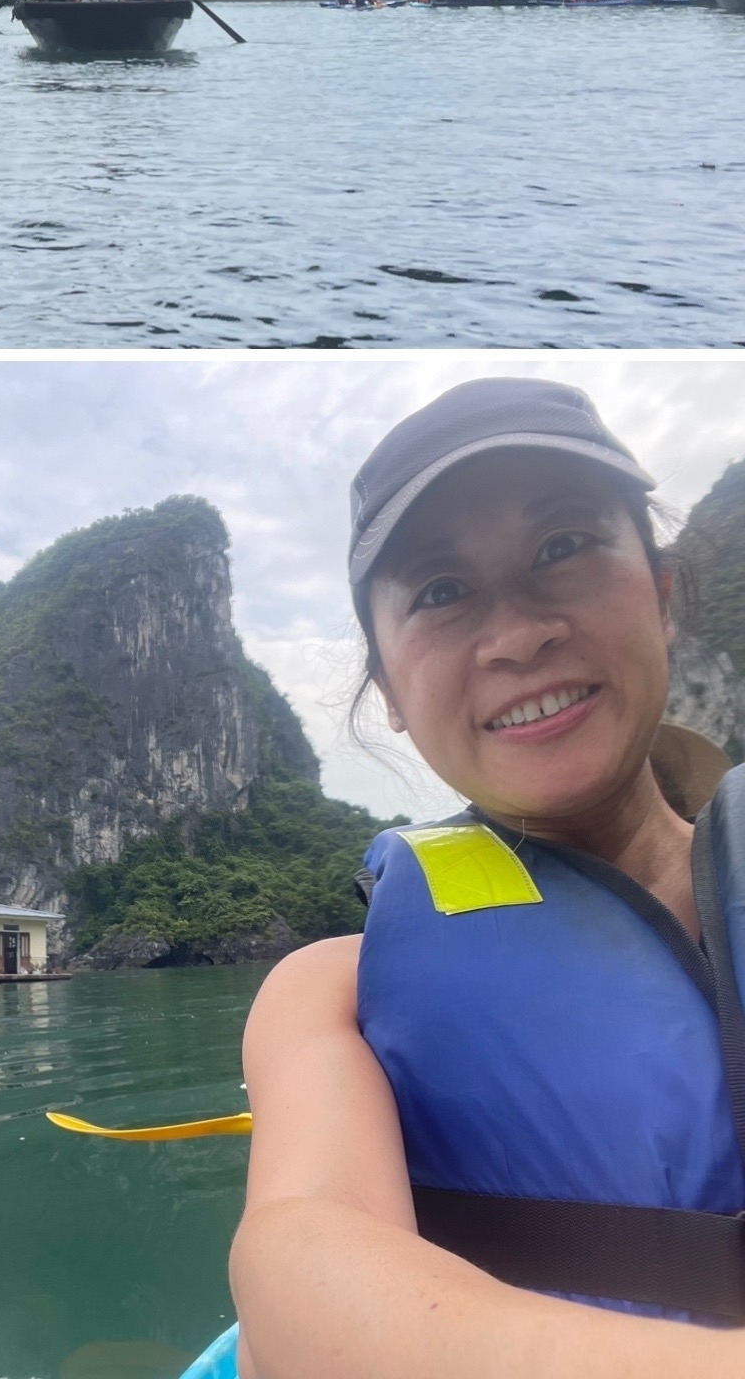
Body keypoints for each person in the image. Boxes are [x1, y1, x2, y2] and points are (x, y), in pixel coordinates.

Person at [232, 376, 745, 1379]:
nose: (514, 634)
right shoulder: (332, 990)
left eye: (560, 545)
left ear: (662, 589)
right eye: (437, 590)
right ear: (384, 686)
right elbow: (295, 1279)